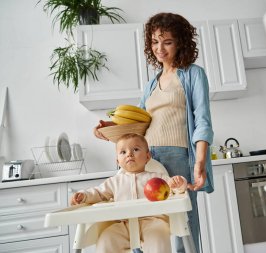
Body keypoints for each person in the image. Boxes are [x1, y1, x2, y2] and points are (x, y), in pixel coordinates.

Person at [94, 12, 214, 253]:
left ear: (180, 42)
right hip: (146, 158)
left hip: (178, 157)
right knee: (139, 219)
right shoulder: (152, 82)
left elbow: (202, 120)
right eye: (155, 42)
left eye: (167, 41)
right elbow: (138, 124)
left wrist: (199, 162)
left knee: (182, 224)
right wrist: (109, 130)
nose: (160, 48)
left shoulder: (192, 74)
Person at [71, 133, 188, 253]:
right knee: (106, 239)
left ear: (148, 156)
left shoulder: (157, 178)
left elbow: (176, 190)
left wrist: (178, 183)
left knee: (158, 238)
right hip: (122, 224)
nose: (129, 154)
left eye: (135, 149)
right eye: (123, 152)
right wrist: (84, 196)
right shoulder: (114, 182)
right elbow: (98, 193)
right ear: (117, 161)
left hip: (152, 222)